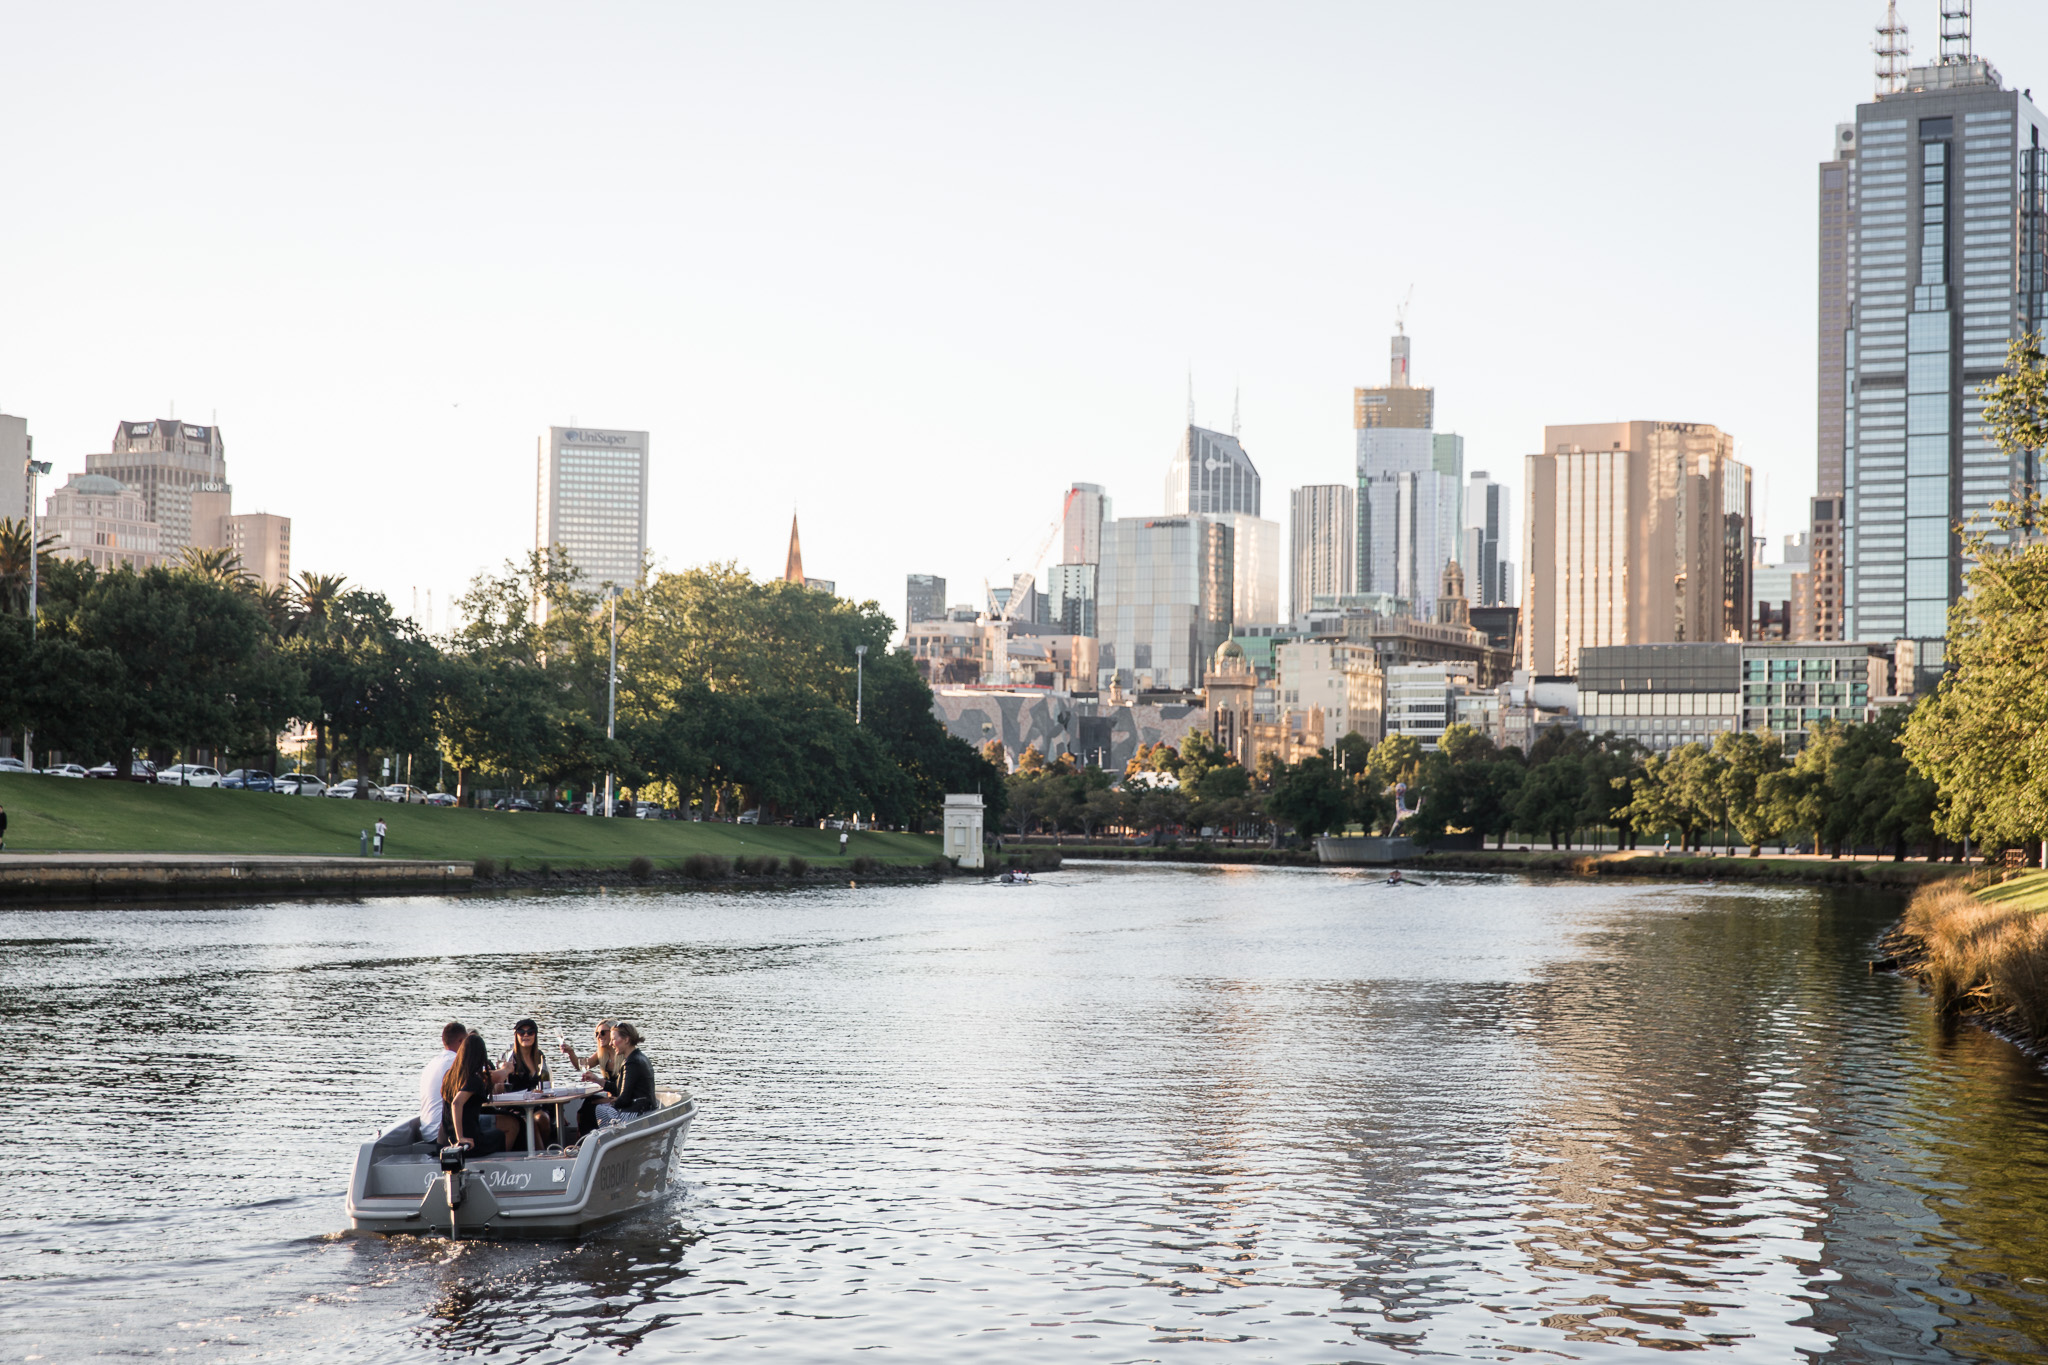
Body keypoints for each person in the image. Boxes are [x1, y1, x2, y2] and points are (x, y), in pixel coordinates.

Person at [441, 1032, 506, 1156]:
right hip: (469, 1143)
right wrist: (461, 1138)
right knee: (499, 1135)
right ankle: (500, 1171)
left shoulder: (450, 1076)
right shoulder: (473, 1080)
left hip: (448, 1139)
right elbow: (456, 1103)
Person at [495, 1018, 553, 1149]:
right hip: (516, 1106)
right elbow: (501, 1088)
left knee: (543, 1118)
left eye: (530, 1032)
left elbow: (547, 1083)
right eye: (521, 1032)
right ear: (516, 1036)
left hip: (536, 1104)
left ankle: (545, 1149)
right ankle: (541, 1155)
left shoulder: (539, 1057)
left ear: (535, 1035)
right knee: (532, 1120)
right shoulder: (510, 1059)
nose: (526, 1035)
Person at [590, 1022, 657, 1127]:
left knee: (596, 1109)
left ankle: (603, 1141)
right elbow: (619, 1087)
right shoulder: (640, 1057)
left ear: (626, 1040)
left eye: (614, 1039)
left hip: (636, 1115)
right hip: (646, 1111)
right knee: (596, 1104)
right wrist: (596, 1079)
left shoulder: (631, 1063)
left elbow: (624, 1100)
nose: (611, 1044)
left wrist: (611, 1102)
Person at [563, 1020, 621, 1141]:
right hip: (610, 1095)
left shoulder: (622, 1055)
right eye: (597, 1034)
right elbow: (582, 1066)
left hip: (621, 1096)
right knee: (585, 1106)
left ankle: (588, 1141)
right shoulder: (602, 1054)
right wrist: (570, 1052)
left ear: (613, 1033)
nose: (599, 1036)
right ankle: (583, 1141)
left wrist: (597, 1079)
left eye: (603, 1033)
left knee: (589, 1108)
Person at [418, 1019, 465, 1144]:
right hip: (442, 1134)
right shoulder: (456, 1061)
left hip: (427, 1132)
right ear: (461, 1041)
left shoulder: (433, 1063)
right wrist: (506, 1070)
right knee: (509, 1124)